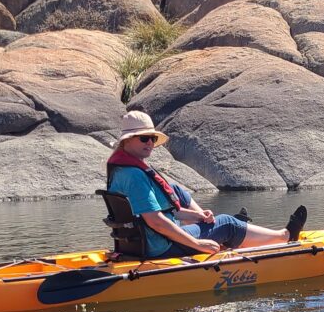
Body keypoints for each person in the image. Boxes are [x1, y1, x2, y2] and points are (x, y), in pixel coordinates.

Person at [105, 111, 306, 259]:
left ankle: (226, 234)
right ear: (126, 141)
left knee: (178, 193)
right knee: (227, 223)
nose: (150, 142)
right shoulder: (135, 176)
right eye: (144, 138)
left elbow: (157, 214)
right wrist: (197, 244)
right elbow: (156, 221)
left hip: (144, 244)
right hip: (160, 247)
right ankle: (286, 237)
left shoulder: (120, 170)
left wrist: (198, 216)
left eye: (152, 138)